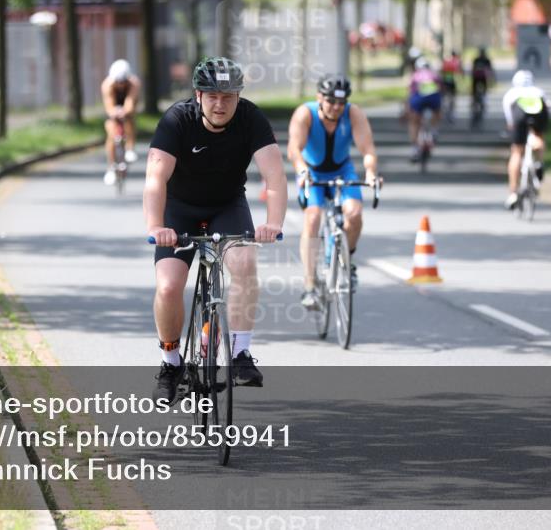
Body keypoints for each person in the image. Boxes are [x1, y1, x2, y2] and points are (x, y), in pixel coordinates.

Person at [144, 57, 287, 402]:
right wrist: (156, 226)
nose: (220, 104)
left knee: (244, 265)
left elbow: (275, 177)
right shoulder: (177, 120)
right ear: (198, 95)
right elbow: (155, 180)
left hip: (227, 206)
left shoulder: (251, 118)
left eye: (228, 96)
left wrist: (273, 223)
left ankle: (240, 354)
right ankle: (171, 363)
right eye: (212, 96)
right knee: (167, 287)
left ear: (238, 96)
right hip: (179, 211)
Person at [287, 75, 380, 309]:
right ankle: (309, 285)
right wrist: (302, 171)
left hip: (342, 172)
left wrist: (370, 173)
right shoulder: (304, 114)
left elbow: (367, 148)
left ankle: (347, 261)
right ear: (320, 97)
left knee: (354, 214)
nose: (337, 107)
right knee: (313, 217)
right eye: (331, 102)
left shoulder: (353, 113)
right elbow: (294, 149)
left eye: (341, 102)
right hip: (313, 174)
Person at [502, 70, 551, 209]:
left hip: (519, 113)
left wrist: (512, 127)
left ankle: (513, 192)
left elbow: (509, 118)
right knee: (539, 136)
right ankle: (539, 163)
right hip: (539, 113)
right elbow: (548, 108)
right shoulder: (539, 91)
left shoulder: (511, 93)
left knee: (517, 151)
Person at [102, 59, 141, 186]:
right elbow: (109, 105)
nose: (120, 85)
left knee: (130, 119)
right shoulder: (107, 85)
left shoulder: (134, 83)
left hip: (127, 105)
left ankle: (130, 148)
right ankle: (111, 167)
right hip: (114, 106)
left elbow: (130, 102)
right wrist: (114, 113)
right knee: (111, 133)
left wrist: (125, 111)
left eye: (123, 82)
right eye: (117, 82)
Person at [407, 58, 442, 160]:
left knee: (414, 122)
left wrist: (407, 108)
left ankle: (414, 148)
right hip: (434, 99)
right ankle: (435, 130)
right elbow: (441, 88)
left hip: (419, 99)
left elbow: (410, 92)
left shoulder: (415, 75)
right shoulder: (434, 74)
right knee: (437, 111)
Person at [470, 47, 495, 123]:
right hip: (482, 79)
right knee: (483, 92)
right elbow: (490, 70)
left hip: (476, 79)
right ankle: (482, 102)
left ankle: (474, 102)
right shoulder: (486, 60)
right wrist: (492, 79)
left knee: (474, 93)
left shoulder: (476, 59)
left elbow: (473, 70)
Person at [439, 51, 463, 123]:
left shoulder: (446, 62)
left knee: (444, 97)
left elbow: (441, 72)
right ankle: (451, 113)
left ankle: (443, 110)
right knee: (452, 97)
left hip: (445, 81)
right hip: (452, 82)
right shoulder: (457, 61)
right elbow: (460, 72)